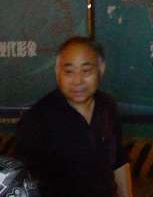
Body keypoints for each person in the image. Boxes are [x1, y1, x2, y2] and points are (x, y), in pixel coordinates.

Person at [14, 36, 133, 197]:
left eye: (86, 71)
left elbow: (119, 161)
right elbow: (21, 182)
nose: (78, 81)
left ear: (101, 69)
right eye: (69, 71)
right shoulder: (37, 119)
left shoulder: (107, 106)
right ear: (57, 72)